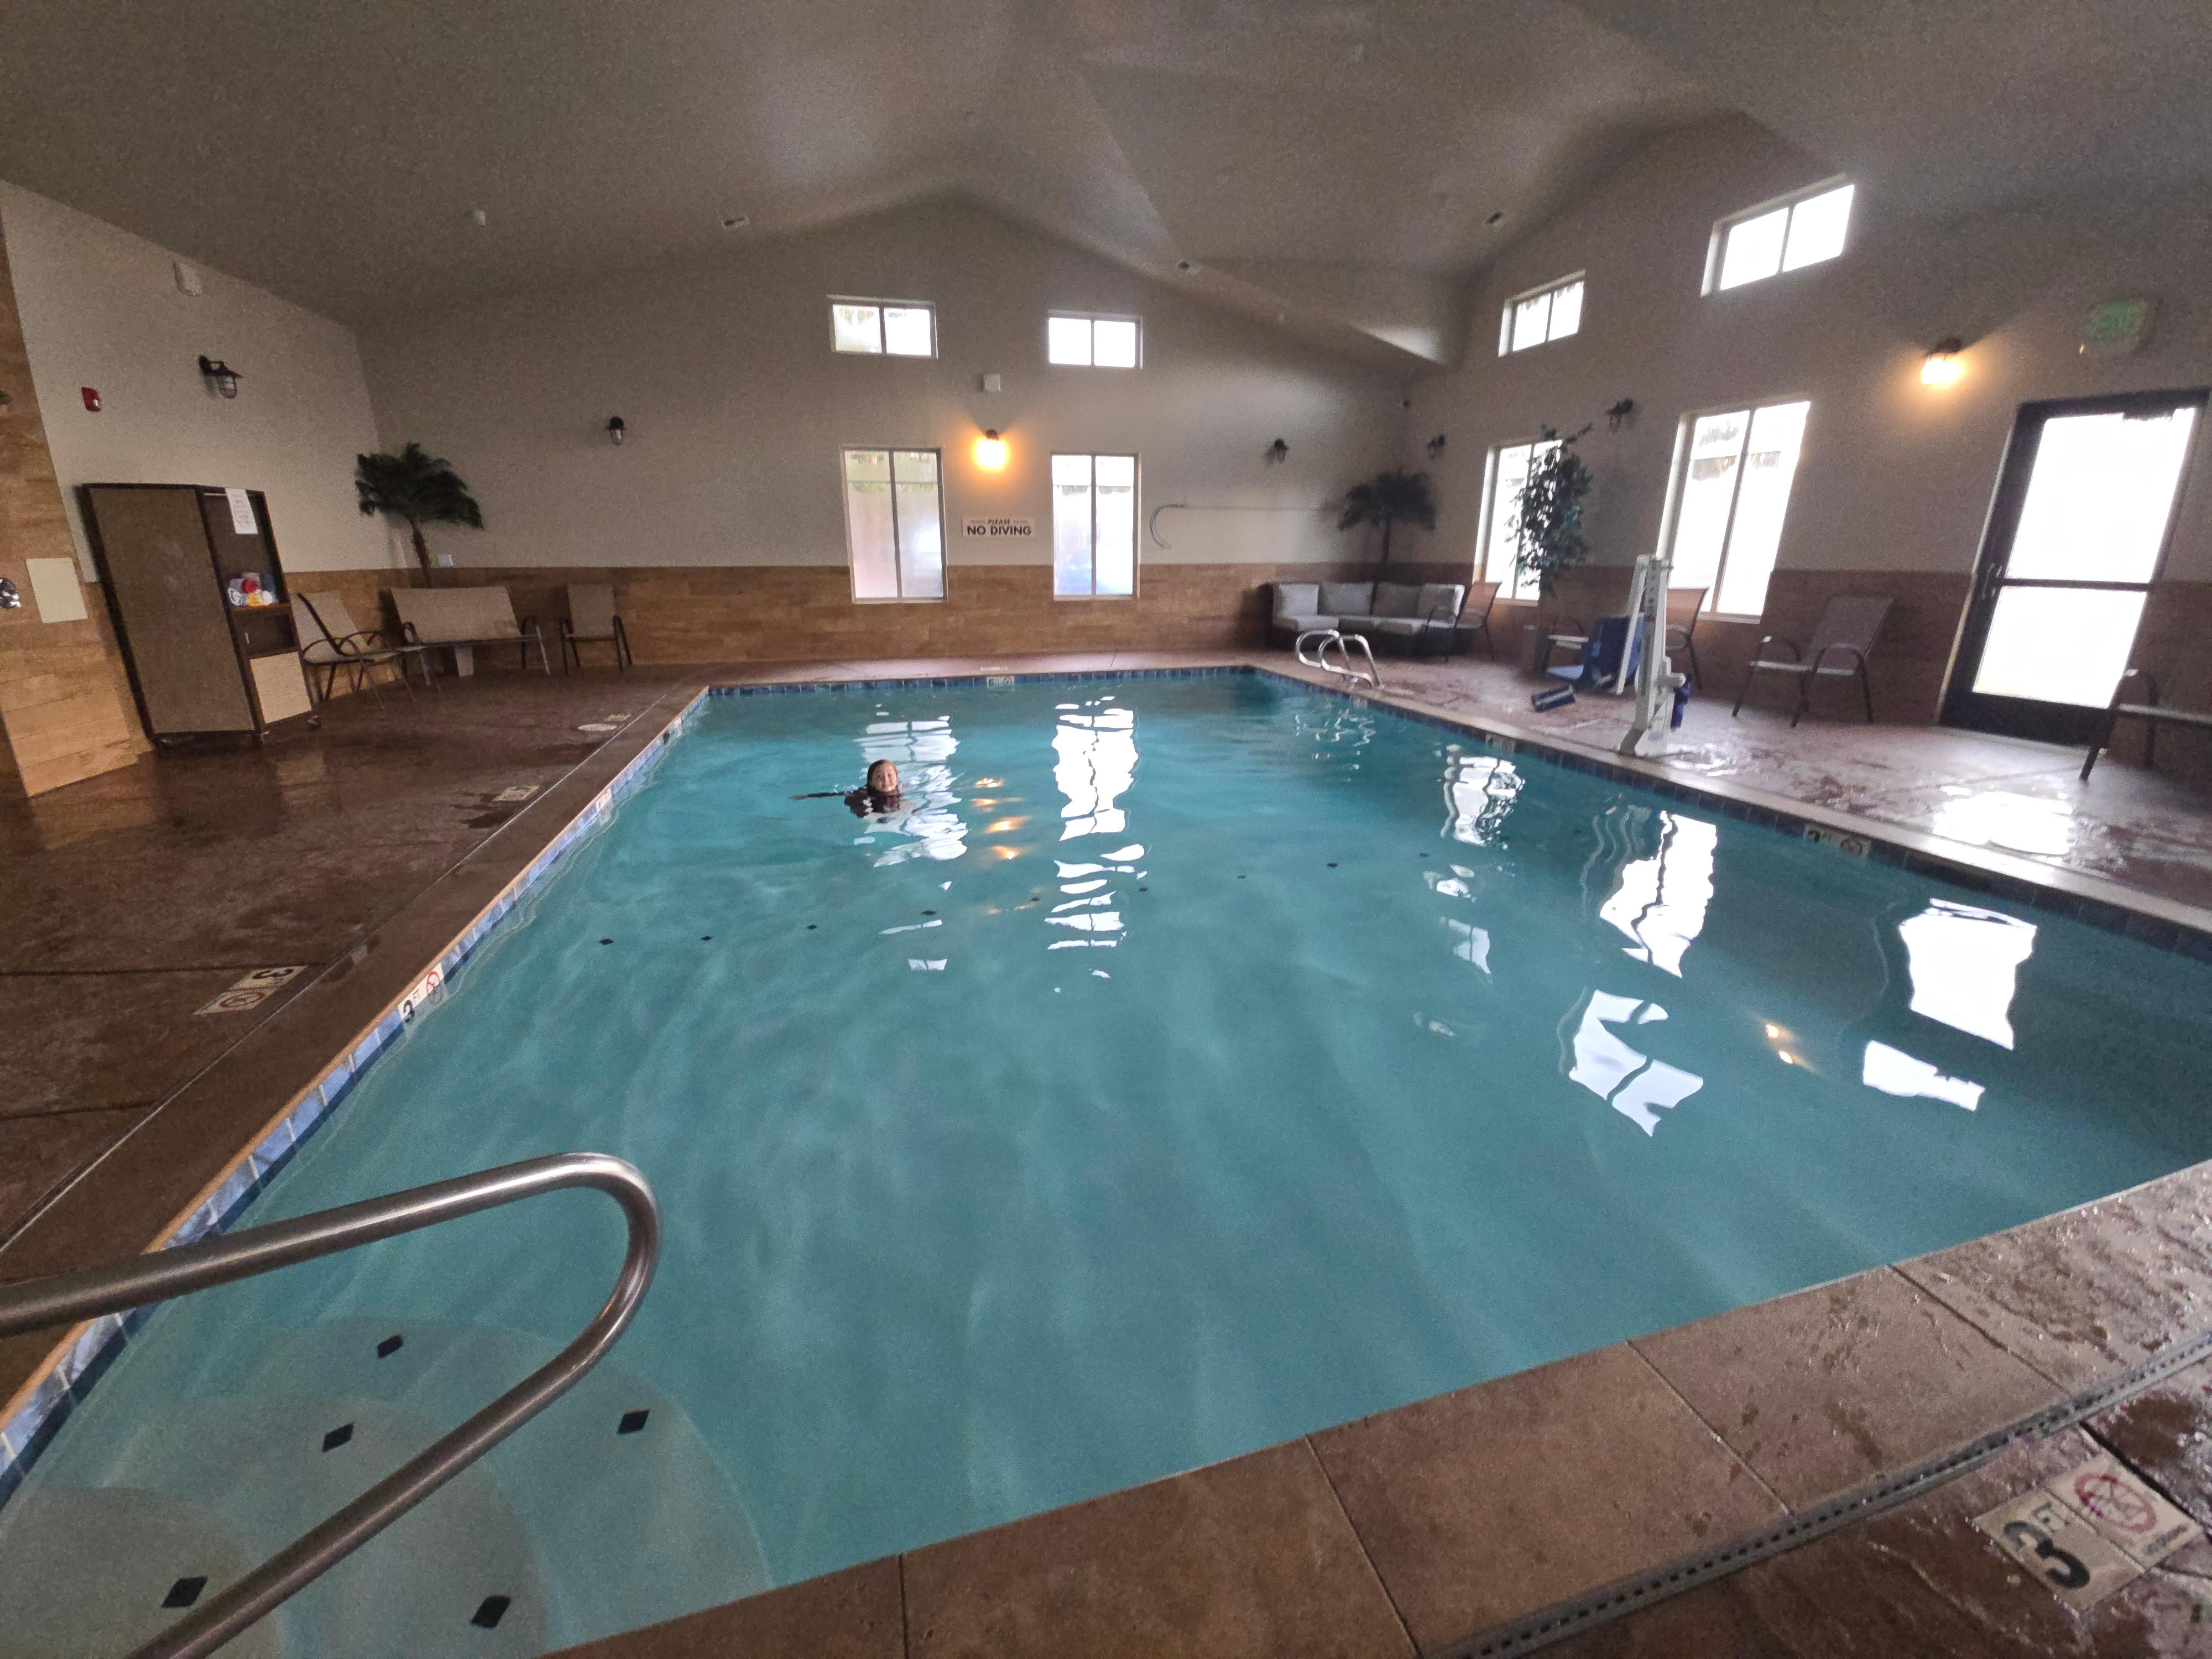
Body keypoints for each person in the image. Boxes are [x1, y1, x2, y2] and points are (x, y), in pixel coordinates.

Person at [792, 759, 902, 816]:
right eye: (879, 776)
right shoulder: (862, 793)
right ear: (871, 782)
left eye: (890, 775)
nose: (886, 780)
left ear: (897, 779)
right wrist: (808, 796)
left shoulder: (902, 788)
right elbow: (837, 794)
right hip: (866, 802)